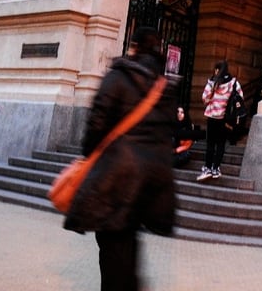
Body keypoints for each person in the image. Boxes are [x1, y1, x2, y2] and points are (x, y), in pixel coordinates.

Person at [63, 26, 177, 291]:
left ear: (134, 46)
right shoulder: (165, 87)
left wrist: (89, 155)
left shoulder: (118, 77)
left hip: (118, 172)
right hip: (152, 177)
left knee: (113, 240)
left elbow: (97, 122)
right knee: (129, 237)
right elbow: (168, 130)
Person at [198, 60, 244, 181]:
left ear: (217, 70)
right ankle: (216, 168)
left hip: (212, 118)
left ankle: (207, 168)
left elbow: (204, 98)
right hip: (225, 119)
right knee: (221, 144)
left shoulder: (212, 82)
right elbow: (240, 97)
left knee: (210, 144)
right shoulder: (233, 83)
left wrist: (213, 98)